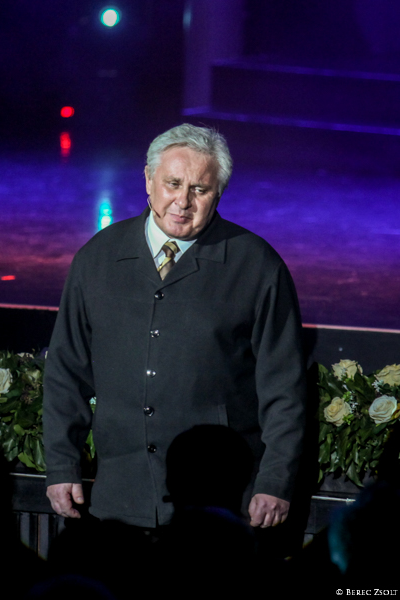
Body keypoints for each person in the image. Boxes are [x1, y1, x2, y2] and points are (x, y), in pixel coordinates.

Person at [43, 123, 307, 532]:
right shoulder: (97, 258)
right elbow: (65, 372)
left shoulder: (256, 265)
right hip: (118, 500)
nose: (183, 201)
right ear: (149, 179)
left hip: (218, 501)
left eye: (199, 189)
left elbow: (284, 386)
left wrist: (275, 480)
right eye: (173, 184)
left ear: (218, 193)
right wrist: (62, 465)